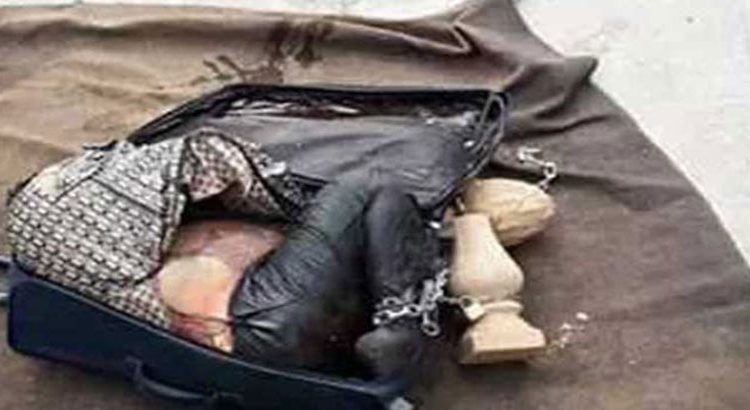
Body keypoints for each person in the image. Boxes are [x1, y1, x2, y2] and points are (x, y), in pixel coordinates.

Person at [158, 175, 441, 379]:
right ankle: (400, 319)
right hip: (260, 311)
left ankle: (381, 333)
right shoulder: (167, 190)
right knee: (365, 185)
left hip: (250, 352)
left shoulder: (146, 256)